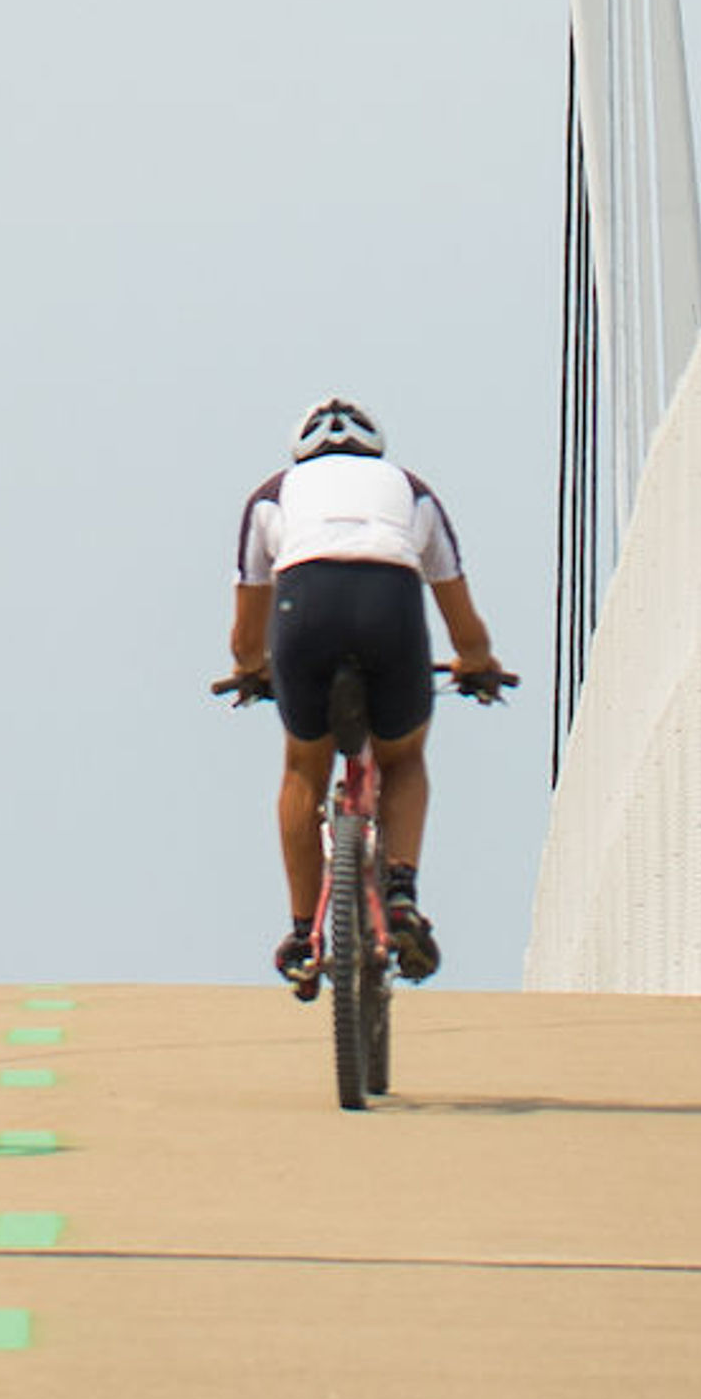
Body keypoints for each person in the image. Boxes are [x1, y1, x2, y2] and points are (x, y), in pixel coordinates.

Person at [225, 396, 510, 988]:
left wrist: (253, 671)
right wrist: (476, 664)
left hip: (304, 607)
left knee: (303, 770)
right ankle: (401, 893)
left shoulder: (274, 495)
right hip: (391, 608)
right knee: (402, 758)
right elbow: (461, 617)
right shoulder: (411, 490)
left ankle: (304, 933)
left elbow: (246, 633)